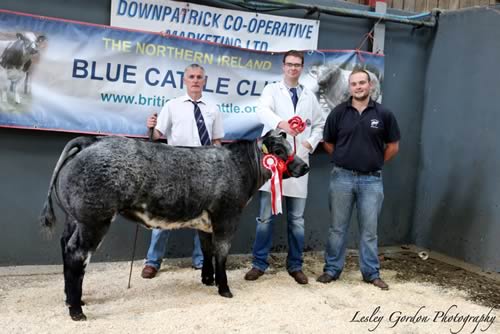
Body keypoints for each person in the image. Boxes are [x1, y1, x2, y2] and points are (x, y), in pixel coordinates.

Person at [244, 50, 324, 285]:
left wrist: (310, 143)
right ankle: (259, 264)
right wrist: (282, 124)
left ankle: (296, 265)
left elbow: (320, 123)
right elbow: (262, 111)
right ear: (283, 66)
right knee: (265, 218)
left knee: (297, 219)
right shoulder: (271, 90)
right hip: (273, 165)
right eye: (289, 64)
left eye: (297, 65)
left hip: (298, 163)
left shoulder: (309, 95)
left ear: (302, 67)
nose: (293, 68)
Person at [317, 68, 400, 290]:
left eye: (362, 83)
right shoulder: (338, 113)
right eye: (354, 84)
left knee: (369, 231)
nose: (358, 87)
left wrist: (376, 162)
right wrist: (341, 158)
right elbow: (327, 142)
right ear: (349, 87)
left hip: (371, 181)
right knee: (337, 228)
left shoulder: (384, 114)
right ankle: (332, 270)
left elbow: (393, 146)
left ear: (370, 85)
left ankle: (371, 273)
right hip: (341, 178)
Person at [141, 64, 224, 279]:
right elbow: (156, 135)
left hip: (205, 169)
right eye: (191, 77)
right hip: (175, 168)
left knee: (204, 216)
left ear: (204, 81)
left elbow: (216, 141)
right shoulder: (172, 106)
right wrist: (150, 126)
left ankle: (200, 260)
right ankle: (153, 261)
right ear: (184, 80)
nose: (195, 80)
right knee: (164, 213)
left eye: (199, 77)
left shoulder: (213, 108)